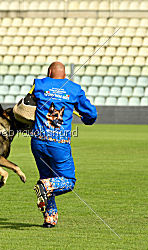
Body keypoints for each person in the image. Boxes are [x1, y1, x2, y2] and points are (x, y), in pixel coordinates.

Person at [31, 61, 97, 228]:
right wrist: (86, 120)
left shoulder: (39, 84)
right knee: (67, 181)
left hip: (38, 141)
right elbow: (91, 114)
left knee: (48, 177)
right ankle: (46, 186)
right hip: (58, 143)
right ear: (64, 74)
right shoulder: (74, 89)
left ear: (49, 72)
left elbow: (27, 104)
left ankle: (50, 218)